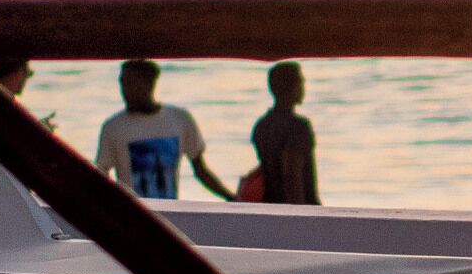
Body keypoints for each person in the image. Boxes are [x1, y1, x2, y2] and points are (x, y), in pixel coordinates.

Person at [92, 59, 229, 200]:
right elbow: (101, 176)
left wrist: (231, 198)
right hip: (131, 211)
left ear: (149, 84)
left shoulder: (179, 119)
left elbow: (201, 171)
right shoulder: (114, 127)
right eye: (123, 83)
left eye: (132, 83)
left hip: (169, 209)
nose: (125, 91)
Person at [243, 62, 319, 205]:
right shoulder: (298, 127)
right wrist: (304, 214)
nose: (303, 85)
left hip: (269, 206)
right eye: (300, 81)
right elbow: (292, 179)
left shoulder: (262, 125)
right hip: (299, 209)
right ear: (291, 86)